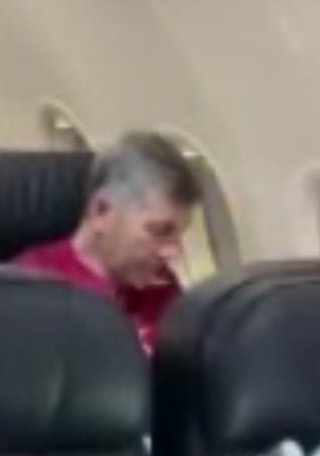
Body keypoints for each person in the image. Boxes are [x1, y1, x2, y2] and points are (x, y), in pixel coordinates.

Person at [12, 131, 202, 354]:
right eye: (159, 231)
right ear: (101, 211)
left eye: (177, 237)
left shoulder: (162, 288)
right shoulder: (31, 289)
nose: (173, 252)